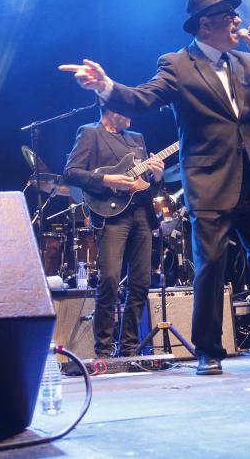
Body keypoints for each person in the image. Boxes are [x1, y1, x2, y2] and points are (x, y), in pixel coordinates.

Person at [60, 0, 250, 374]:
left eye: (236, 14)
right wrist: (106, 87)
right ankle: (209, 351)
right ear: (205, 25)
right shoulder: (178, 65)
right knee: (211, 264)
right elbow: (144, 98)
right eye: (228, 16)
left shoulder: (247, 64)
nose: (238, 20)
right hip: (210, 181)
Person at [63, 108, 164, 358]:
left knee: (140, 283)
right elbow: (71, 172)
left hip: (141, 213)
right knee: (109, 280)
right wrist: (109, 180)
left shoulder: (136, 138)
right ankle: (104, 351)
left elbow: (146, 182)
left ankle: (129, 348)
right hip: (112, 216)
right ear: (110, 109)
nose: (131, 112)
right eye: (125, 107)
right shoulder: (89, 133)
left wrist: (157, 175)